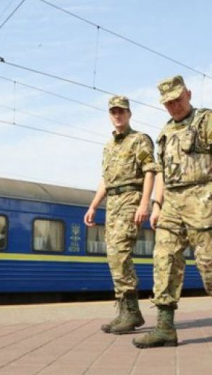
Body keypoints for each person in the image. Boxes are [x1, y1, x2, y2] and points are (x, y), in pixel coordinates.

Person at [132, 75, 212, 348]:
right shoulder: (165, 132)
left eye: (177, 100)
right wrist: (157, 205)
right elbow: (162, 173)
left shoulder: (208, 121)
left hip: (204, 199)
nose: (173, 106)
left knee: (209, 265)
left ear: (189, 94)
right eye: (168, 103)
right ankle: (165, 327)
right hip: (172, 203)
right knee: (164, 260)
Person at [84, 95, 156, 334]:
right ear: (110, 115)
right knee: (113, 255)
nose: (117, 115)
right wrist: (93, 205)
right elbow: (106, 179)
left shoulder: (140, 140)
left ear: (129, 114)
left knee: (120, 252)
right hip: (112, 203)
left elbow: (149, 172)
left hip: (130, 199)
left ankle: (132, 313)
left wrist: (145, 203)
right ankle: (124, 311)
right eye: (113, 111)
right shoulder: (108, 146)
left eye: (121, 111)